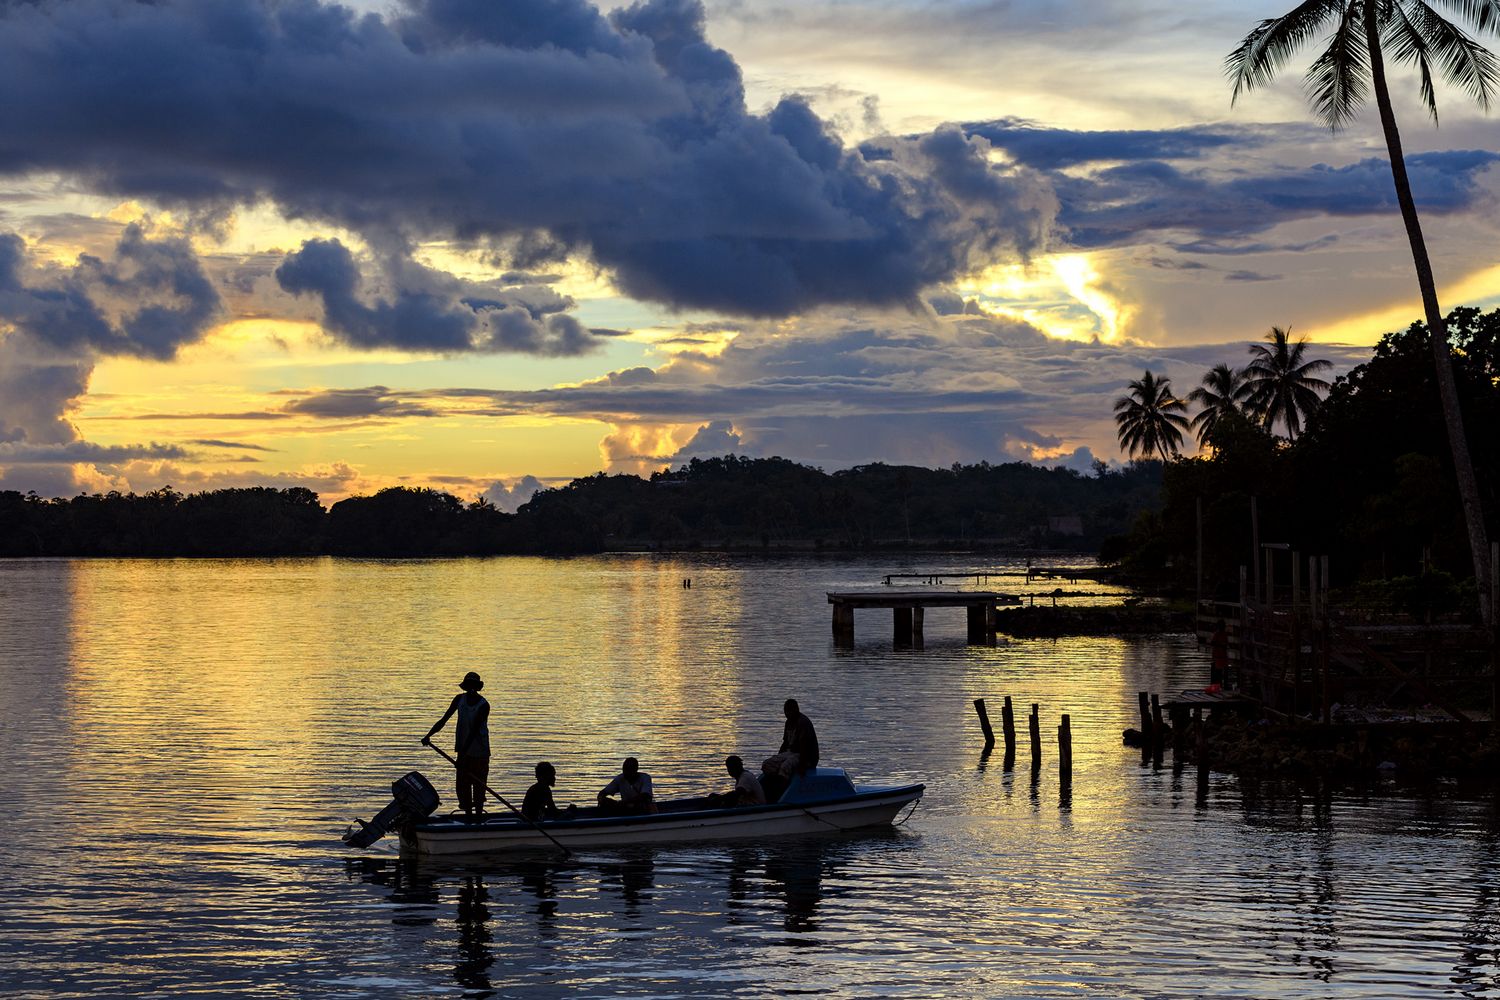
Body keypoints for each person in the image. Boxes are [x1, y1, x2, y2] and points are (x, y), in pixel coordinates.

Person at [422, 671, 491, 816]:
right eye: (469, 686)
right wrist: (429, 735)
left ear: (477, 688)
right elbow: (444, 719)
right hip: (463, 751)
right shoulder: (459, 699)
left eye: (474, 686)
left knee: (478, 788)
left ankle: (478, 818)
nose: (471, 689)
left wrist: (463, 755)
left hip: (480, 752)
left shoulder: (484, 705)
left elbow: (474, 732)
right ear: (466, 687)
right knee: (463, 787)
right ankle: (468, 818)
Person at [1209, 620, 1229, 689]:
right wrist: (1220, 644)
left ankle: (1225, 686)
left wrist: (1224, 645)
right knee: (1218, 672)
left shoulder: (1224, 634)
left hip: (1223, 655)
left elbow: (1226, 643)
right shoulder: (1217, 634)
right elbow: (1212, 643)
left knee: (1225, 671)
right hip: (1217, 655)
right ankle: (1219, 686)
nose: (1222, 628)